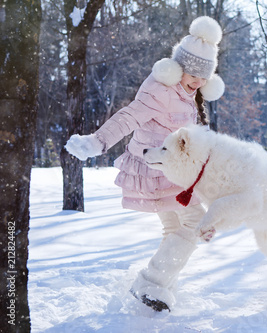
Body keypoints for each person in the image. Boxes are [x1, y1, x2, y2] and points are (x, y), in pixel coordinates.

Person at [64, 16, 225, 312]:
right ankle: (150, 282)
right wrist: (97, 142)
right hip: (156, 170)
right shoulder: (160, 90)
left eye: (205, 76)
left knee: (173, 227)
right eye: (193, 73)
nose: (199, 82)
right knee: (195, 222)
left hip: (172, 171)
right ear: (179, 67)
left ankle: (159, 290)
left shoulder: (190, 95)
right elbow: (128, 117)